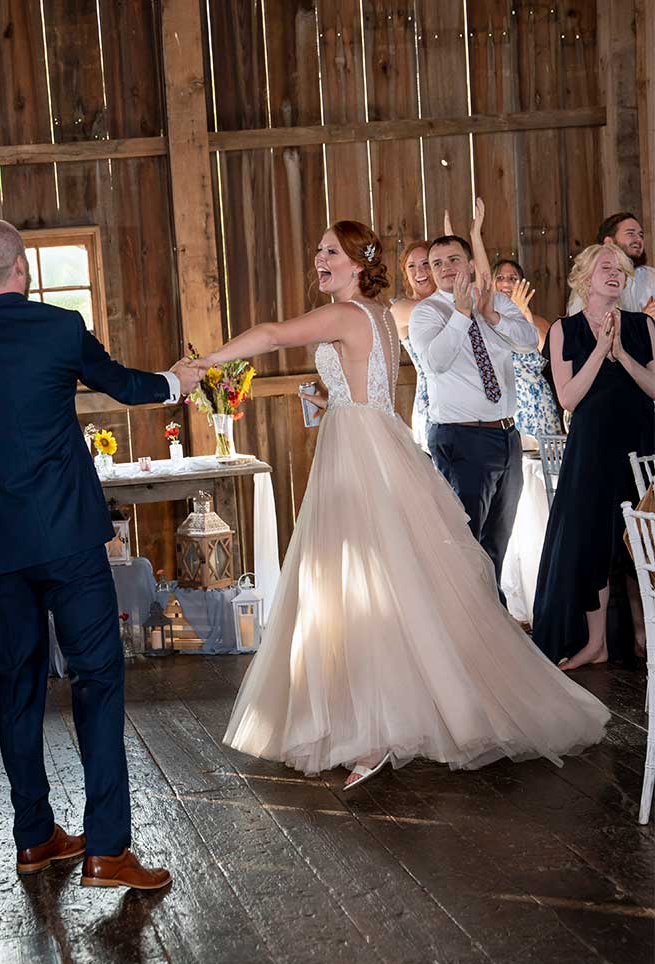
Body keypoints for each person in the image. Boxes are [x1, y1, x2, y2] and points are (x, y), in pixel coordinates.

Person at [192, 220, 608, 790]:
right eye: (317, 249)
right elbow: (367, 390)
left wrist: (204, 362)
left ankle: (379, 728)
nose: (319, 257)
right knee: (382, 583)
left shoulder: (347, 313)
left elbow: (268, 335)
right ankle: (390, 714)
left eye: (330, 251)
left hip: (361, 454)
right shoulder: (382, 315)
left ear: (358, 262)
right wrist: (327, 399)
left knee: (366, 585)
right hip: (373, 441)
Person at [0, 219, 202, 889]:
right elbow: (125, 385)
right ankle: (106, 850)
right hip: (68, 538)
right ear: (24, 267)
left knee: (18, 687)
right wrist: (176, 381)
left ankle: (34, 838)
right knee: (97, 680)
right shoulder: (58, 328)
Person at [533, 243, 655, 669]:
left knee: (641, 540)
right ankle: (596, 643)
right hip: (592, 451)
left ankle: (644, 634)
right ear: (584, 279)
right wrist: (602, 351)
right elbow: (568, 398)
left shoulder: (643, 326)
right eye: (606, 266)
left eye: (621, 268)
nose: (615, 273)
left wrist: (623, 354)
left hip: (641, 445)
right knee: (594, 544)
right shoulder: (564, 331)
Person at [408, 234, 539, 594]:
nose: (445, 269)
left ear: (469, 263)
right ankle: (467, 626)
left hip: (506, 437)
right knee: (466, 541)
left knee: (499, 539)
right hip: (462, 438)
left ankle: (492, 622)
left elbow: (528, 340)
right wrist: (462, 315)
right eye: (437, 264)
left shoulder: (495, 301)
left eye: (453, 260)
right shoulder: (427, 313)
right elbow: (435, 362)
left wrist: (490, 314)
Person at [491, 259, 560, 443]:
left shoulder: (537, 320)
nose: (506, 283)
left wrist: (525, 316)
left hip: (535, 404)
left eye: (513, 278)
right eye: (500, 277)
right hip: (502, 407)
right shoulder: (485, 322)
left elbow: (551, 354)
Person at [390, 242, 434, 448]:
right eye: (412, 266)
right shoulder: (401, 309)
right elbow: (437, 311)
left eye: (426, 263)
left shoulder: (453, 302)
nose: (420, 271)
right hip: (430, 401)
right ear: (405, 273)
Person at [568, 213, 655, 315]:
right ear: (609, 242)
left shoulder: (651, 276)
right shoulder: (591, 279)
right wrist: (643, 322)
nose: (639, 239)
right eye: (630, 233)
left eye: (641, 235)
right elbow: (584, 326)